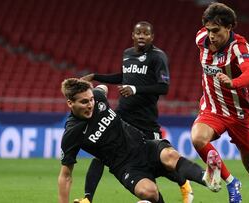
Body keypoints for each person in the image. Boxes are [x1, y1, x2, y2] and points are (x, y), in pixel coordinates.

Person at [77, 21, 193, 203]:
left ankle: (184, 183)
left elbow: (163, 88)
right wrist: (96, 76)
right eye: (138, 33)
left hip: (145, 120)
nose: (141, 36)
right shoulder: (127, 54)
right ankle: (87, 198)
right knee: (101, 153)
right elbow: (124, 77)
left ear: (152, 37)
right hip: (123, 116)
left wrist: (135, 89)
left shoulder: (158, 57)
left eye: (146, 33)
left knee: (158, 163)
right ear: (132, 35)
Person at [58, 78, 215, 203]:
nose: (90, 105)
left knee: (169, 155)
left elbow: (102, 89)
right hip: (125, 167)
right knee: (148, 192)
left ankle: (207, 177)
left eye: (91, 99)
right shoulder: (72, 133)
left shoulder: (98, 98)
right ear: (70, 103)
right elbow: (65, 175)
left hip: (144, 146)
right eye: (84, 102)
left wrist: (86, 86)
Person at [191, 3, 249, 203]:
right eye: (209, 30)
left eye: (216, 31)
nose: (211, 35)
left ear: (229, 28)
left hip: (239, 114)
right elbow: (205, 34)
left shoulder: (239, 46)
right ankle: (231, 182)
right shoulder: (201, 39)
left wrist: (233, 82)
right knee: (198, 138)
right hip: (212, 109)